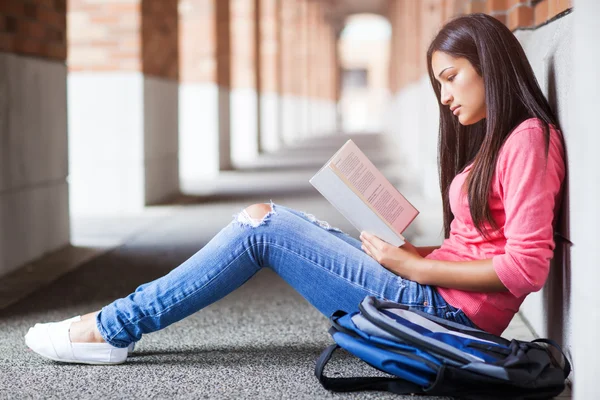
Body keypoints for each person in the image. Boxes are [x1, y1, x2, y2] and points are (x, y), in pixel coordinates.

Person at [25, 13, 566, 365]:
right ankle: (112, 325)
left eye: (450, 77)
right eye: (437, 84)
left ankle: (111, 328)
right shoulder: (501, 140)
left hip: (442, 314)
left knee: (263, 225)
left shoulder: (529, 140)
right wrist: (413, 253)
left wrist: (419, 269)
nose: (443, 96)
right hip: (429, 293)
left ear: (490, 66)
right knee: (271, 216)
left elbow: (526, 268)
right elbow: (483, 243)